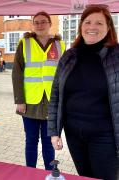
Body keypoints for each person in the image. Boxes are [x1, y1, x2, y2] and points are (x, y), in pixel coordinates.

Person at [47, 4, 119, 180]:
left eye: (99, 23)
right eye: (87, 22)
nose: (92, 27)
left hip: (105, 135)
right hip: (74, 135)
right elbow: (55, 94)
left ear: (108, 27)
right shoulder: (69, 55)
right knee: (84, 177)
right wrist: (54, 132)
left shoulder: (116, 55)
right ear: (81, 26)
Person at [12, 11, 65, 170]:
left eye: (43, 22)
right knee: (31, 141)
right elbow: (17, 72)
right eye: (37, 22)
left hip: (52, 101)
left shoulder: (60, 45)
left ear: (50, 24)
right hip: (29, 102)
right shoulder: (25, 43)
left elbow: (64, 73)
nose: (40, 25)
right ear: (32, 25)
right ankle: (30, 172)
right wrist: (19, 100)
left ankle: (50, 173)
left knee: (49, 142)